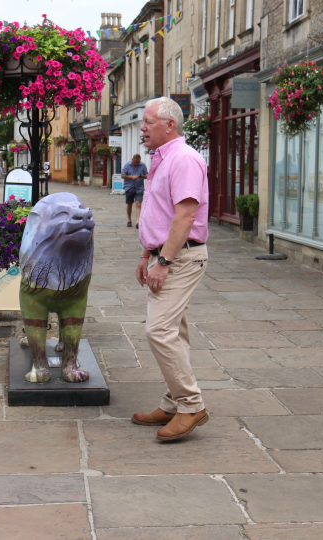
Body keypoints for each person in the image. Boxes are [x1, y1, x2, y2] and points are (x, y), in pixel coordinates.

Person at [133, 97, 210, 442]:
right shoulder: (161, 159)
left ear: (170, 125)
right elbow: (159, 212)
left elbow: (186, 215)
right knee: (174, 333)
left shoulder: (184, 159)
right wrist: (146, 254)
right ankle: (172, 402)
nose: (142, 128)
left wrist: (163, 262)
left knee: (159, 331)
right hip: (162, 255)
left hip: (180, 258)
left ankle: (191, 405)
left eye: (148, 122)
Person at [121, 154, 148, 229]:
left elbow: (147, 175)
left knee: (138, 204)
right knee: (129, 204)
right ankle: (129, 220)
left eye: (138, 163)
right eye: (135, 162)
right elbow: (122, 175)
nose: (136, 164)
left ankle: (138, 222)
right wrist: (131, 177)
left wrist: (141, 176)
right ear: (132, 160)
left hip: (139, 187)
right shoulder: (127, 165)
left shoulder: (142, 165)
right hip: (129, 187)